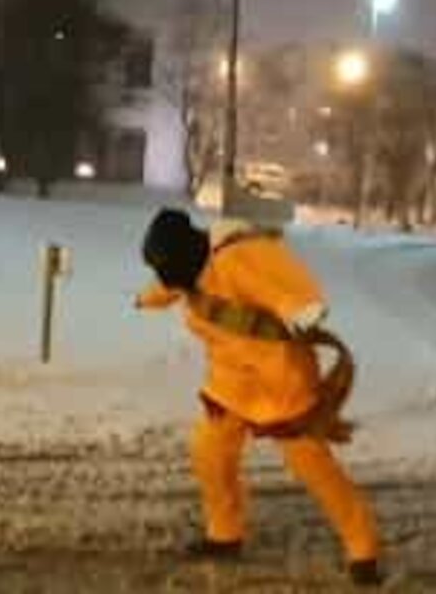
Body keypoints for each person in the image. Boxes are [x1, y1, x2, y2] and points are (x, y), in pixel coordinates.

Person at [135, 208, 382, 587]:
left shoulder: (239, 257)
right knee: (211, 453)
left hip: (280, 381)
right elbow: (172, 287)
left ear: (190, 251)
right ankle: (224, 533)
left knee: (313, 467)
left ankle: (363, 549)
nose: (171, 281)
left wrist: (302, 308)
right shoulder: (188, 271)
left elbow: (281, 282)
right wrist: (148, 298)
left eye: (169, 272)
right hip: (230, 383)